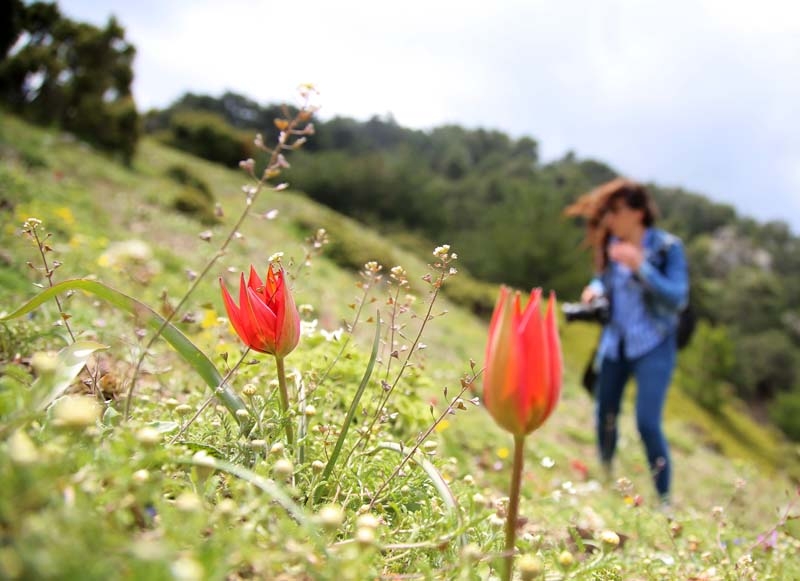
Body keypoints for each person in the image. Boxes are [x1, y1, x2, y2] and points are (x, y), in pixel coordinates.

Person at [565, 178, 689, 506]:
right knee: (605, 412)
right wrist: (595, 288)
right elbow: (603, 279)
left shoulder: (666, 248)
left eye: (616, 211)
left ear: (637, 212)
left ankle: (664, 500)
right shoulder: (610, 245)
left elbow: (678, 297)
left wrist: (640, 266)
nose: (610, 219)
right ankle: (605, 475)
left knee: (647, 422)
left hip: (654, 345)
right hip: (615, 344)